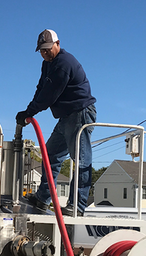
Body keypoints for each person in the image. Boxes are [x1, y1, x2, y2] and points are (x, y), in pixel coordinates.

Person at [16, 29, 96, 216]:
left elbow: (49, 95)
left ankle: (78, 205)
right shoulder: (48, 64)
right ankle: (43, 198)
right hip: (66, 116)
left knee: (81, 159)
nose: (44, 54)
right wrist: (28, 110)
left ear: (57, 44)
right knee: (50, 154)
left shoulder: (63, 64)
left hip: (80, 113)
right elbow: (41, 87)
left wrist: (30, 112)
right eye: (41, 51)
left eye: (47, 49)